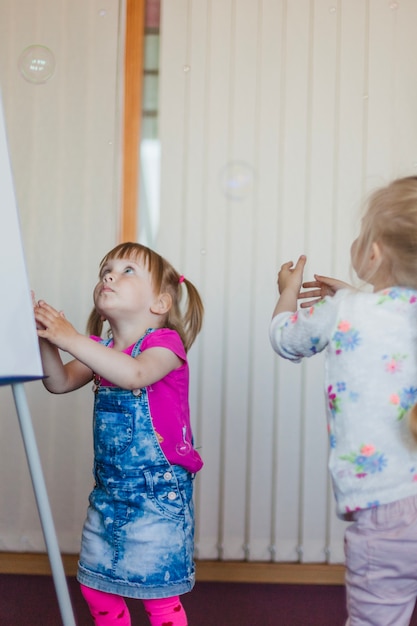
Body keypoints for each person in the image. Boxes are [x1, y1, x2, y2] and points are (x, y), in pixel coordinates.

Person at [269, 176, 417, 626]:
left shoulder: (345, 311)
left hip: (384, 510)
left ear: (372, 255)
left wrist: (289, 292)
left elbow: (285, 339)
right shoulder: (353, 306)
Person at [33, 242, 204, 626]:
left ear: (160, 304)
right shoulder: (100, 350)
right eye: (105, 270)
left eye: (128, 271)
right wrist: (46, 339)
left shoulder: (164, 345)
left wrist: (70, 338)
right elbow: (58, 382)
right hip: (109, 494)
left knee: (157, 593)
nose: (109, 275)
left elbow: (135, 374)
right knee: (95, 584)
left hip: (157, 495)